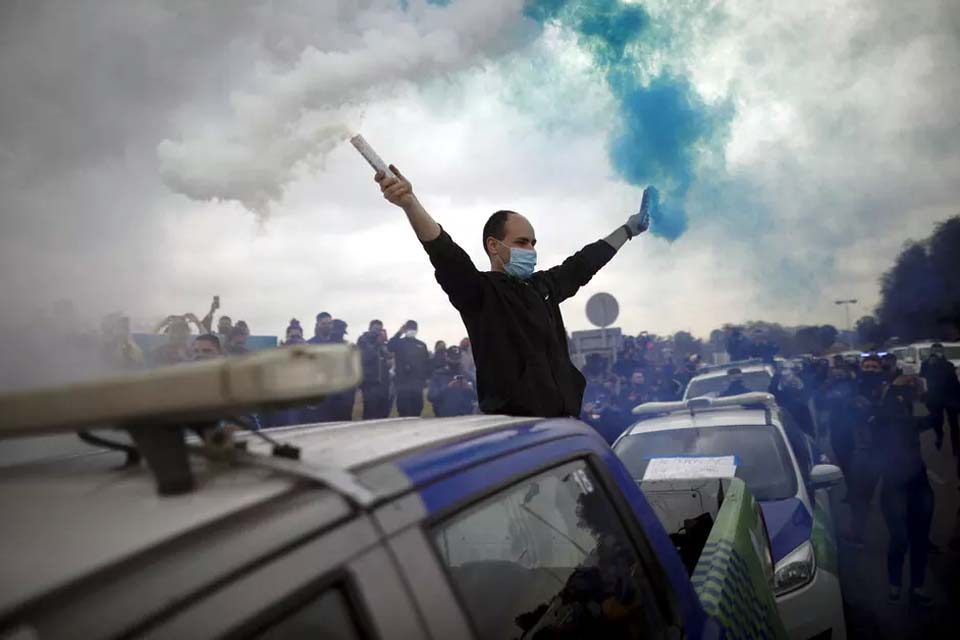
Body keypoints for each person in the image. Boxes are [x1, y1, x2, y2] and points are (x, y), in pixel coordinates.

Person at [375, 165, 650, 418]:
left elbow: (582, 264)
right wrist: (411, 204)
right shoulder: (479, 293)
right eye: (521, 242)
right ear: (494, 246)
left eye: (532, 243)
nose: (530, 250)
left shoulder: (542, 288)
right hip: (518, 432)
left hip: (564, 424)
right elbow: (444, 252)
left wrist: (627, 230)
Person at [874, 376, 935, 606]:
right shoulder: (881, 418)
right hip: (894, 486)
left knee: (919, 539)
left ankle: (917, 587)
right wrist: (895, 390)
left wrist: (926, 396)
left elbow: (933, 417)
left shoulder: (910, 418)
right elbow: (882, 419)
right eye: (902, 389)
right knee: (899, 537)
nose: (906, 392)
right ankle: (895, 583)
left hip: (918, 485)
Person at [921, 342, 960, 456]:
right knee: (937, 420)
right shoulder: (926, 365)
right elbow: (923, 379)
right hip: (935, 398)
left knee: (954, 424)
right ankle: (939, 435)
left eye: (939, 351)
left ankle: (956, 448)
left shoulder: (948, 364)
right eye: (935, 351)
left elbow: (954, 382)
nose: (937, 353)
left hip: (950, 398)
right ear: (931, 352)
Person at [388, 320, 430, 417]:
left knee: (417, 409)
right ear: (406, 329)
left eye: (414, 328)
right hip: (403, 384)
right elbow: (390, 346)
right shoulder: (399, 343)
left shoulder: (421, 345)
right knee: (403, 410)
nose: (412, 330)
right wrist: (399, 333)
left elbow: (426, 363)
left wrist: (425, 379)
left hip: (417, 384)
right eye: (410, 328)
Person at [427, 346, 478, 417]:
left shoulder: (467, 375)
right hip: (444, 418)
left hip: (466, 417)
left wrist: (469, 388)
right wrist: (448, 387)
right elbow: (431, 397)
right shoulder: (438, 375)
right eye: (452, 358)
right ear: (446, 357)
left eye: (457, 358)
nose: (454, 361)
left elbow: (477, 397)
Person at [358, 326, 393, 419]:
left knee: (383, 413)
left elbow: (388, 358)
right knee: (370, 414)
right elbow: (364, 359)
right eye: (378, 332)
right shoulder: (363, 342)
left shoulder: (383, 347)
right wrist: (377, 345)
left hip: (384, 385)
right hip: (370, 385)